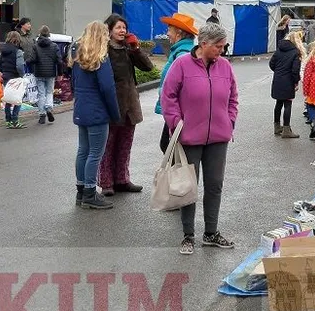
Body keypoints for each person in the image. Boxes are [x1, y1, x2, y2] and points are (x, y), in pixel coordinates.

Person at [161, 23, 239, 255]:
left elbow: (233, 97)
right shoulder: (181, 65)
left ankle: (211, 232)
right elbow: (168, 96)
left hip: (218, 137)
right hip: (189, 138)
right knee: (187, 187)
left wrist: (229, 120)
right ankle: (188, 235)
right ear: (203, 44)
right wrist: (177, 123)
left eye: (223, 46)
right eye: (218, 46)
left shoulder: (224, 67)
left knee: (215, 185)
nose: (221, 51)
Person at [98, 14, 154, 196]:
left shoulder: (129, 49)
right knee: (108, 145)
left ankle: (122, 179)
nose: (122, 31)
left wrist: (136, 48)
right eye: (118, 28)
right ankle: (106, 182)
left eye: (124, 27)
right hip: (112, 104)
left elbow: (148, 67)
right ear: (109, 30)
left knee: (125, 144)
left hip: (130, 104)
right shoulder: (104, 50)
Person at [70, 21, 120, 210]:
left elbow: (74, 83)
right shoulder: (101, 58)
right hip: (97, 111)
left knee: (83, 150)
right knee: (95, 153)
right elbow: (108, 88)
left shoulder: (77, 57)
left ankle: (81, 191)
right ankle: (90, 193)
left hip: (81, 109)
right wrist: (115, 114)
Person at [155, 13, 198, 152]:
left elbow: (185, 85)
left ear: (179, 32)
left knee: (171, 147)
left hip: (177, 110)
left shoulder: (182, 53)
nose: (167, 33)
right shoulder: (181, 50)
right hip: (176, 109)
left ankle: (180, 174)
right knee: (169, 147)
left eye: (169, 29)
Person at [270, 30, 302, 139]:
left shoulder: (279, 49)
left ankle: (277, 126)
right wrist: (296, 82)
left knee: (278, 103)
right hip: (288, 81)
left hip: (278, 79)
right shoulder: (295, 52)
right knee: (288, 104)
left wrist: (278, 71)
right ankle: (286, 130)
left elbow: (271, 64)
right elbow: (295, 70)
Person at [32, 25, 63, 124]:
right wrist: (61, 72)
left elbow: (33, 59)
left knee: (41, 94)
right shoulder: (54, 46)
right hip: (51, 73)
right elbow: (59, 61)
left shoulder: (35, 46)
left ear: (40, 33)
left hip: (39, 72)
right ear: (49, 34)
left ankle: (42, 114)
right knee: (49, 92)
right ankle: (49, 108)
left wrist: (27, 61)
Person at [0, 31, 27, 129]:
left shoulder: (3, 51)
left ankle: (8, 121)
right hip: (16, 77)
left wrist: (4, 72)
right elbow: (20, 66)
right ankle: (15, 120)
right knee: (18, 99)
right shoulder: (18, 51)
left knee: (8, 99)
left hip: (6, 78)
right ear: (18, 39)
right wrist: (22, 75)